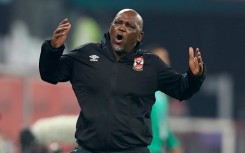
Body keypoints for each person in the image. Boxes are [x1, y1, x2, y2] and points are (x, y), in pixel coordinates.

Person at [39, 8, 206, 153]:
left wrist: (195, 76)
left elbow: (182, 89)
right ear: (111, 27)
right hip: (89, 148)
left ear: (139, 36)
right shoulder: (86, 55)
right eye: (118, 22)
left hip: (133, 150)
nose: (122, 27)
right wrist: (53, 49)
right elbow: (50, 74)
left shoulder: (151, 65)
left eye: (129, 26)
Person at [147, 47, 184, 153]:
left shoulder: (163, 94)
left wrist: (173, 144)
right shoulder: (144, 90)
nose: (166, 62)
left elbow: (162, 124)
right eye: (161, 58)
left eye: (166, 58)